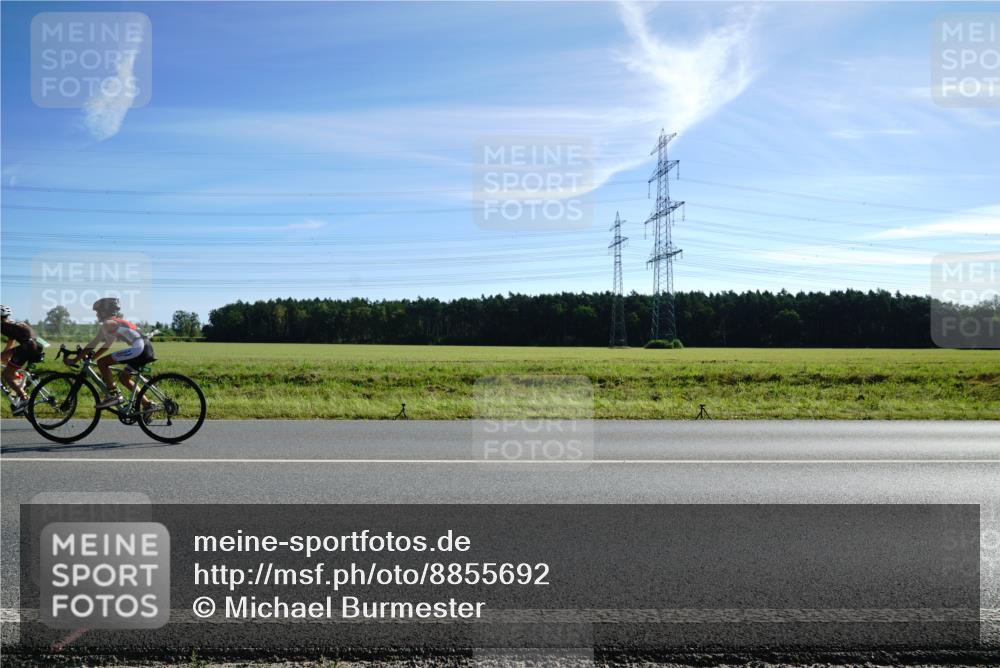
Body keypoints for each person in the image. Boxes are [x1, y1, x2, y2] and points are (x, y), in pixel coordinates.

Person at [66, 297, 155, 408]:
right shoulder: (115, 323)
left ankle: (114, 395)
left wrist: (75, 359)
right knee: (124, 379)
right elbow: (106, 346)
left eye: (98, 311)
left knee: (102, 363)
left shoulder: (108, 323)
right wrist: (91, 359)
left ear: (104, 311)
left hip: (139, 349)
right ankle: (147, 404)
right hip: (145, 349)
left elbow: (94, 343)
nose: (97, 314)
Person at [1, 304, 44, 414]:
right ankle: (18, 380)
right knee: (4, 360)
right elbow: (11, 343)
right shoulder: (13, 324)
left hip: (28, 347)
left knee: (6, 374)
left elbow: (11, 344)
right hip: (35, 344)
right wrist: (3, 355)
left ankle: (24, 398)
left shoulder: (3, 326)